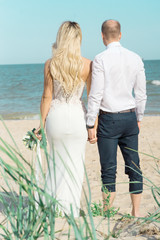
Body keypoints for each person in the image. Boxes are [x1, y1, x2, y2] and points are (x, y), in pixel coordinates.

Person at [86, 19, 147, 217]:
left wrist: (90, 122)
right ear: (120, 35)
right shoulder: (136, 58)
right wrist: (139, 117)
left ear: (102, 36)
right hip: (130, 117)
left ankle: (107, 213)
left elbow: (96, 94)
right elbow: (141, 93)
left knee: (108, 169)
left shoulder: (100, 59)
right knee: (134, 165)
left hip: (108, 120)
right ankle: (136, 212)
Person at [35, 21, 91, 217]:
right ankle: (71, 210)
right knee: (75, 164)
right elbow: (91, 98)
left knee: (55, 162)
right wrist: (93, 125)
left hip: (56, 117)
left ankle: (53, 207)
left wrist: (40, 125)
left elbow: (47, 96)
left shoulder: (51, 64)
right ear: (78, 40)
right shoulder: (87, 64)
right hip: (77, 117)